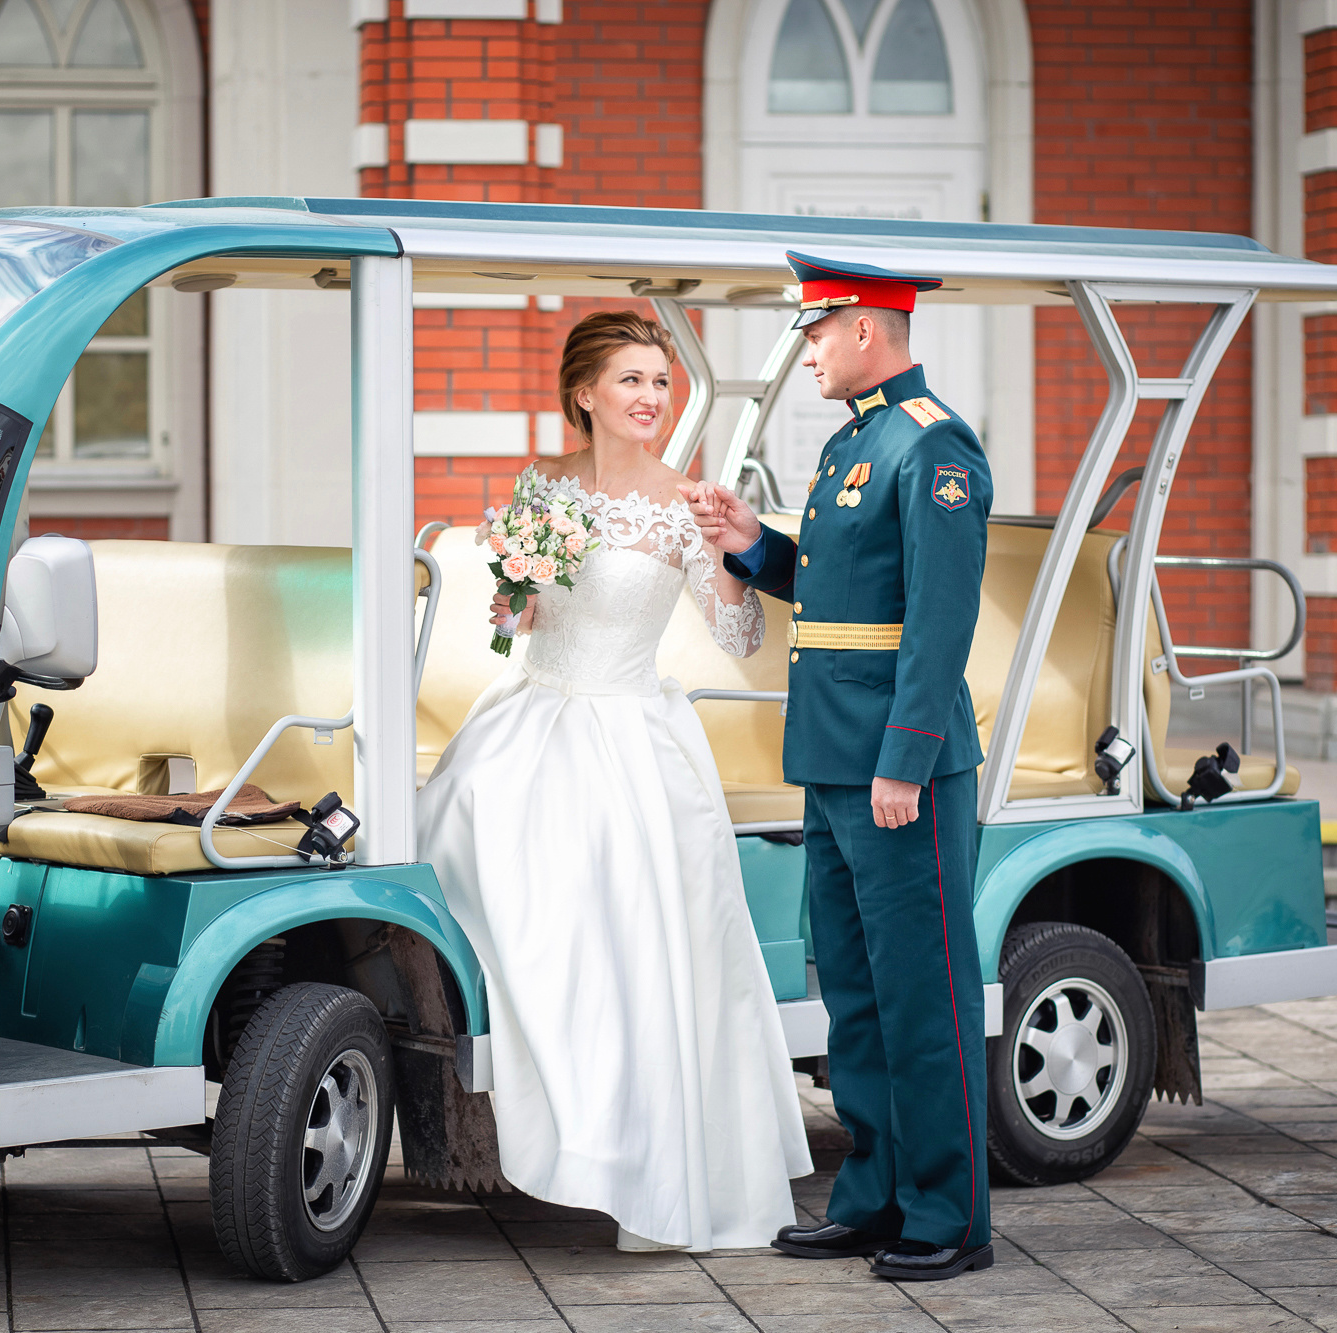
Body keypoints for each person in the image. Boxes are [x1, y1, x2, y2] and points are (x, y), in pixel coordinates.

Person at [416, 310, 813, 1253]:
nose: (650, 399)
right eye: (631, 381)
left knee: (638, 942)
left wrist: (726, 565)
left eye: (660, 383)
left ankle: (646, 1163)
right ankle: (555, 1112)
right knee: (489, 875)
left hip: (634, 736)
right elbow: (512, 629)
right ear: (585, 393)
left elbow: (741, 639)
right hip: (531, 718)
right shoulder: (543, 486)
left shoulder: (689, 503)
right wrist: (514, 587)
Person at [685, 252, 994, 1282]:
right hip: (830, 759)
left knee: (923, 995)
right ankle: (871, 1196)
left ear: (866, 328)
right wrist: (751, 544)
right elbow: (831, 591)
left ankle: (947, 1216)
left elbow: (937, 626)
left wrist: (905, 762)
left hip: (895, 769)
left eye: (815, 331)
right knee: (855, 996)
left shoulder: (930, 445)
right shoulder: (855, 443)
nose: (806, 349)